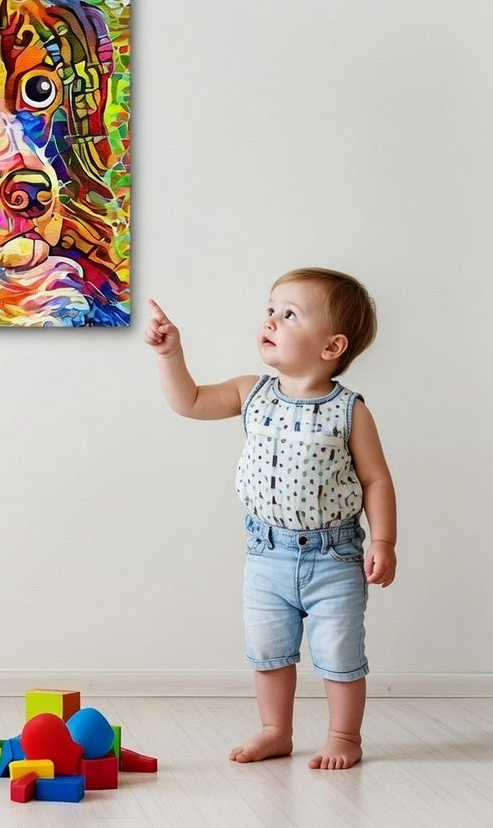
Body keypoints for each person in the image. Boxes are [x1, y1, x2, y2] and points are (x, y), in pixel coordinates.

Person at [145, 268, 396, 770]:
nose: (272, 321)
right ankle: (274, 730)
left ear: (331, 347)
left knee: (340, 653)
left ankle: (345, 736)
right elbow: (188, 402)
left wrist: (383, 540)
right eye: (270, 310)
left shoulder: (349, 411)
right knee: (269, 651)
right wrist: (171, 356)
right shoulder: (250, 392)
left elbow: (376, 480)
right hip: (266, 553)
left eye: (289, 315)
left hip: (335, 556)